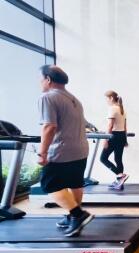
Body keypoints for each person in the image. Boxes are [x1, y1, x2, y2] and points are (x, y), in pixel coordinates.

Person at [37, 65, 94, 237]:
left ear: (48, 79)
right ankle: (72, 216)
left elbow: (49, 126)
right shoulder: (74, 99)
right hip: (80, 149)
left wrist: (42, 153)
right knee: (74, 182)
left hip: (61, 151)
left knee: (49, 184)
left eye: (40, 79)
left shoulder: (47, 97)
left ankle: (78, 215)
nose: (40, 82)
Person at [99, 90, 129, 190]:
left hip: (114, 136)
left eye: (106, 99)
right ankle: (120, 183)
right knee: (118, 159)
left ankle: (120, 176)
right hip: (121, 136)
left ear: (111, 98)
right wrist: (125, 139)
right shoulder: (122, 109)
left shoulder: (112, 109)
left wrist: (105, 139)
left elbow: (110, 125)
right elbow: (125, 127)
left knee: (103, 158)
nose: (106, 101)